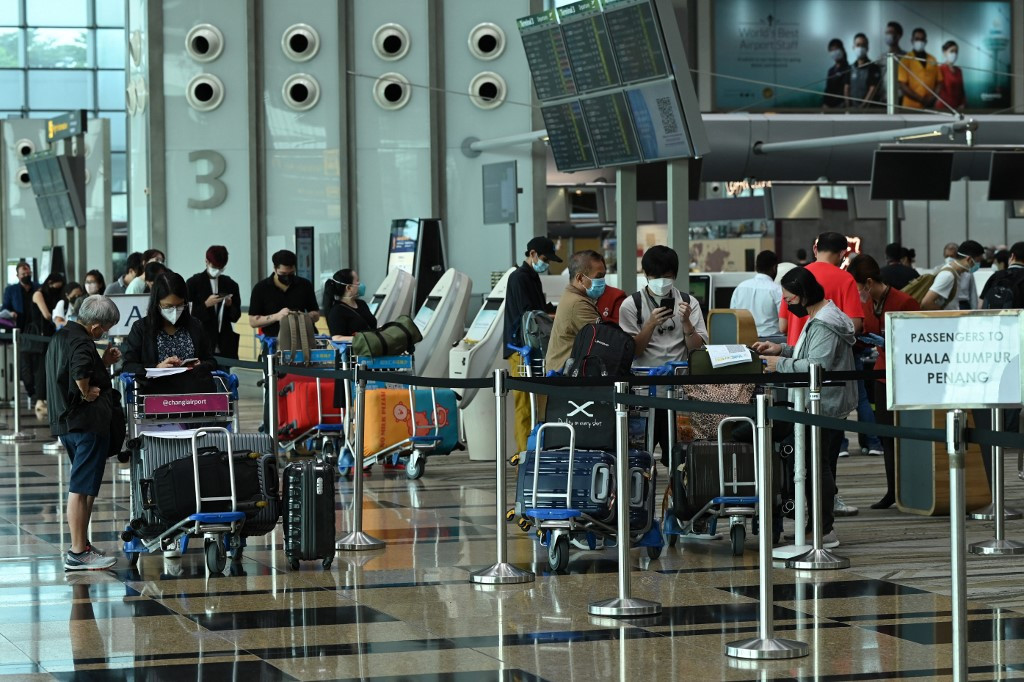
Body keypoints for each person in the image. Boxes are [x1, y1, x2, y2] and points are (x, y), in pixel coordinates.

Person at [753, 267, 857, 549]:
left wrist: (779, 365)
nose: (787, 305)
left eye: (789, 299)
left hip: (824, 404)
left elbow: (817, 365)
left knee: (816, 467)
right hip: (824, 403)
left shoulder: (824, 323)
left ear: (803, 295)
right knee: (815, 465)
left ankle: (823, 530)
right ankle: (816, 527)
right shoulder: (822, 316)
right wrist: (781, 350)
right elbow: (810, 354)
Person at [45, 295, 122, 570]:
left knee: (85, 488)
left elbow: (68, 370)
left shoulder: (61, 335)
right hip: (86, 424)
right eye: (107, 327)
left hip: (67, 423)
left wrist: (102, 362)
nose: (106, 333)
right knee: (79, 489)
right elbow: (79, 371)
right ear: (96, 326)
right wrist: (86, 391)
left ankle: (83, 544)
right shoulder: (81, 340)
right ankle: (78, 552)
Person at [619, 246, 708, 464]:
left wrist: (686, 322)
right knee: (638, 458)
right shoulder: (631, 305)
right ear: (646, 275)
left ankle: (678, 494)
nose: (661, 281)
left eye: (666, 277)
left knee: (680, 458)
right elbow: (632, 352)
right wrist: (649, 324)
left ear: (675, 276)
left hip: (679, 395)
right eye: (655, 276)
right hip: (641, 396)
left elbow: (698, 350)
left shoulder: (689, 303)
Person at [848, 255, 920, 509]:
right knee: (887, 436)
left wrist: (890, 342)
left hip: (905, 377)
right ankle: (892, 490)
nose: (857, 293)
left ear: (868, 282)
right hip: (880, 375)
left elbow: (918, 341)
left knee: (909, 437)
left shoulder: (905, 302)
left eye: (857, 287)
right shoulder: (866, 304)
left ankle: (913, 488)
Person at [503, 237, 560, 451]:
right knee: (525, 406)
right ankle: (523, 457)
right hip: (521, 349)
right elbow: (530, 313)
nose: (546, 264)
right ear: (533, 254)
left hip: (534, 348)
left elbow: (540, 306)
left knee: (538, 404)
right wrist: (550, 315)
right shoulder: (519, 278)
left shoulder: (532, 276)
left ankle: (536, 450)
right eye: (545, 258)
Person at [121, 272, 217, 387]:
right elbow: (128, 366)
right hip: (156, 394)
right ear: (157, 303)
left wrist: (200, 365)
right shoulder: (141, 328)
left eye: (180, 305)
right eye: (168, 306)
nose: (175, 311)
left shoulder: (195, 325)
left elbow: (211, 360)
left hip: (193, 394)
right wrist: (156, 368)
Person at [780, 232, 864, 346]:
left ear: (815, 249)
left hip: (796, 353)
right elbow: (854, 325)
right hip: (830, 353)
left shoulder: (794, 277)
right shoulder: (846, 279)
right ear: (842, 254)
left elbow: (783, 326)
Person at [545, 250, 603, 373]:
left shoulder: (572, 295)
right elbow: (603, 341)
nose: (602, 281)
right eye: (598, 277)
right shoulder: (578, 304)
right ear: (580, 278)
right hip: (566, 379)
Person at [248, 249, 320, 338]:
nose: (287, 277)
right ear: (275, 268)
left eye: (291, 273)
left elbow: (316, 315)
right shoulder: (261, 288)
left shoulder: (305, 285)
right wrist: (276, 316)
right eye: (283, 273)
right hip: (274, 340)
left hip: (303, 339)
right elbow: (253, 321)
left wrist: (304, 317)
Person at [186, 246, 241, 360]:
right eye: (214, 267)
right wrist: (206, 305)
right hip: (202, 339)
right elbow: (188, 315)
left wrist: (230, 306)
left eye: (221, 268)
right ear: (206, 261)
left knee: (225, 375)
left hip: (225, 341)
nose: (217, 270)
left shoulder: (231, 284)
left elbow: (236, 316)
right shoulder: (193, 283)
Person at [27, 273, 67, 415]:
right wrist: (57, 319)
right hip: (40, 336)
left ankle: (46, 399)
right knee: (40, 369)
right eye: (57, 285)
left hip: (50, 335)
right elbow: (47, 315)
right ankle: (39, 399)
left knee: (48, 368)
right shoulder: (38, 294)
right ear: (50, 282)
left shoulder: (55, 295)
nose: (58, 289)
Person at [730, 250, 784, 344]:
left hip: (744, 341)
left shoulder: (740, 287)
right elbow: (784, 323)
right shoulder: (777, 290)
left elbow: (732, 317)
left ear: (756, 267)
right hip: (772, 341)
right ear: (774, 268)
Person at [922, 240, 984, 311]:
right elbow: (926, 303)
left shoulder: (956, 273)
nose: (978, 264)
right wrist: (945, 313)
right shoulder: (948, 275)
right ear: (969, 259)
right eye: (978, 261)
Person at [325, 269, 375, 342]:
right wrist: (364, 339)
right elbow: (337, 338)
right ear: (348, 288)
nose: (360, 284)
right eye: (357, 281)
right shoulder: (337, 311)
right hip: (356, 351)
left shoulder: (362, 304)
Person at [899, 28, 942, 110]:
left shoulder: (932, 59)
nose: (920, 42)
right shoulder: (905, 59)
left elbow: (939, 82)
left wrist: (932, 98)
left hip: (929, 107)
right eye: (917, 39)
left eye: (922, 39)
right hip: (910, 107)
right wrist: (921, 99)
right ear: (912, 40)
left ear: (926, 41)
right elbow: (902, 85)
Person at [849, 33, 881, 107]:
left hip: (869, 110)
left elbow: (873, 88)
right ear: (853, 47)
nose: (860, 48)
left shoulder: (874, 68)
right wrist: (848, 106)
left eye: (863, 45)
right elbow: (847, 87)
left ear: (867, 48)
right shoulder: (850, 68)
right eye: (858, 45)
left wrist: (863, 106)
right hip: (852, 110)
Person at [878, 21, 906, 105]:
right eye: (886, 33)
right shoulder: (881, 57)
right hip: (884, 100)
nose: (888, 35)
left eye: (890, 33)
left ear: (898, 36)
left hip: (901, 99)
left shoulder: (906, 57)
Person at [936, 40, 965, 111]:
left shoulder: (959, 70)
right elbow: (938, 91)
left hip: (958, 108)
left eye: (956, 52)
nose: (954, 54)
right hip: (944, 108)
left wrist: (963, 104)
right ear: (945, 52)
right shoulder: (940, 69)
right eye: (952, 51)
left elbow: (962, 91)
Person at [823, 38, 851, 108]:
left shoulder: (848, 69)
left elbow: (847, 91)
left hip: (841, 107)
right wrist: (825, 104)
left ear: (842, 50)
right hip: (829, 107)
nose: (834, 52)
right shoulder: (831, 71)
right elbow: (827, 90)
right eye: (831, 50)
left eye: (836, 49)